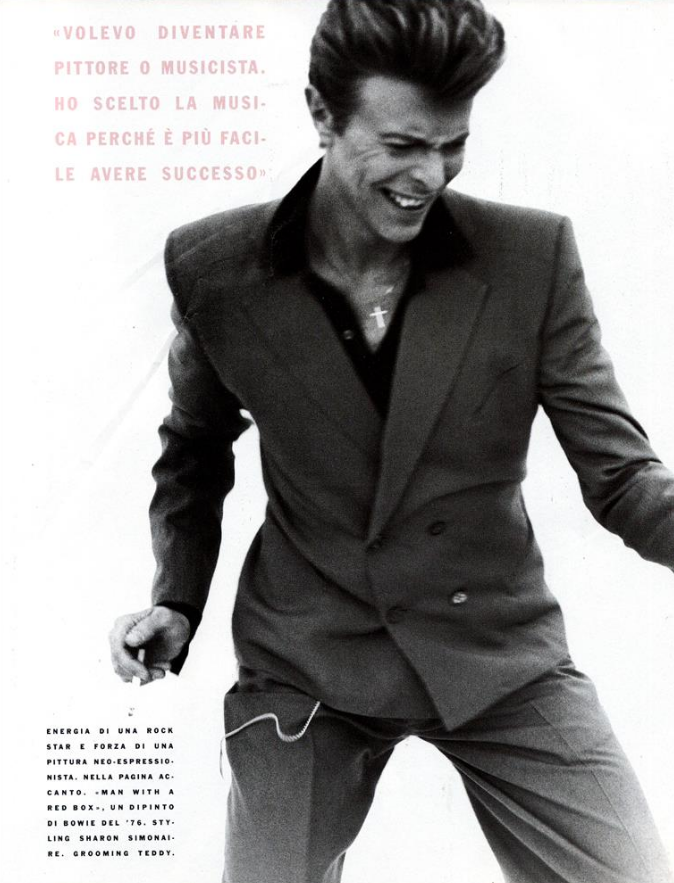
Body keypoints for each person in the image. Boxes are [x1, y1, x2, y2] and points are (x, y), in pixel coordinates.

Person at [109, 1, 674, 880]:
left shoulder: (532, 259)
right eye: (404, 144)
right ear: (321, 113)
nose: (431, 174)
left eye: (453, 145)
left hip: (498, 652)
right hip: (307, 659)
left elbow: (625, 479)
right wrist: (176, 601)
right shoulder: (214, 267)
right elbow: (194, 449)